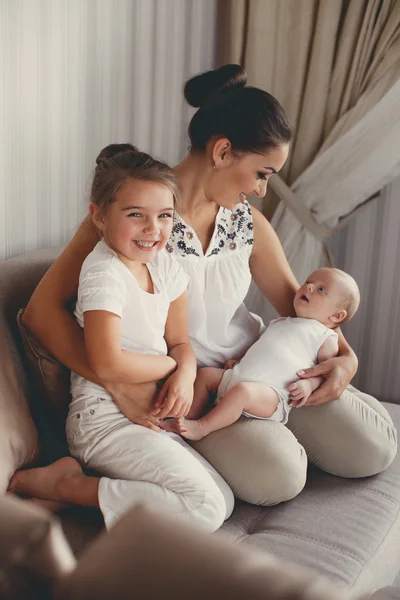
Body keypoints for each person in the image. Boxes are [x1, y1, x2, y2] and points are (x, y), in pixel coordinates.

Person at [13, 64, 396, 512]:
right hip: (191, 396)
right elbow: (41, 313)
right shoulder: (137, 218)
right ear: (222, 151)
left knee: (374, 447)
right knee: (278, 476)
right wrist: (114, 384)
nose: (261, 189)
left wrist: (345, 360)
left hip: (261, 371)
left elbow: (304, 308)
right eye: (262, 173)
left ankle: (284, 426)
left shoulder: (248, 225)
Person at [9, 144, 234, 531]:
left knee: (224, 500)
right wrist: (170, 365)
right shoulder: (103, 273)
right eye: (136, 215)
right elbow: (107, 361)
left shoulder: (164, 267)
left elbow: (180, 341)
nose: (153, 229)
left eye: (165, 216)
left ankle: (79, 496)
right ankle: (69, 486)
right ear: (97, 215)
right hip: (101, 421)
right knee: (205, 508)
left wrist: (184, 370)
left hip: (146, 416)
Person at [163, 268, 360, 440]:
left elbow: (323, 373)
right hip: (239, 375)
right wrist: (238, 361)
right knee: (206, 375)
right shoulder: (281, 322)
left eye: (321, 289)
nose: (308, 287)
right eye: (308, 282)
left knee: (243, 393)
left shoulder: (325, 337)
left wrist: (309, 384)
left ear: (336, 316)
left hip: (270, 394)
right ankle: (187, 419)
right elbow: (262, 350)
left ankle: (202, 427)